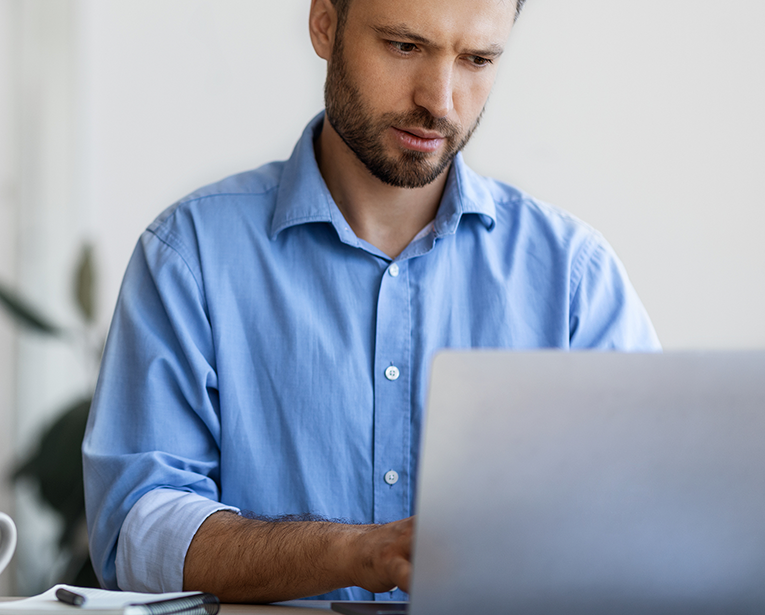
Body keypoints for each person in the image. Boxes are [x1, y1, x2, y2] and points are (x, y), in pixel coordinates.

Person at [82, 0, 659, 603]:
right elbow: (137, 535)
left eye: (477, 59)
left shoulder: (574, 276)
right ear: (325, 24)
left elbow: (653, 522)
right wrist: (359, 553)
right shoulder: (191, 256)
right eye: (404, 46)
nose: (440, 100)